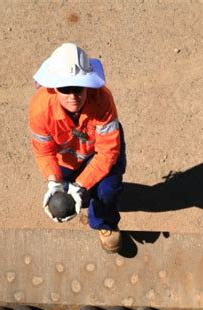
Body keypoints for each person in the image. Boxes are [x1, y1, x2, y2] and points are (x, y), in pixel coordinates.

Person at [29, 43, 126, 253]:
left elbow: (107, 152)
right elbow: (44, 152)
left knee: (107, 191)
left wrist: (80, 184)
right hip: (66, 159)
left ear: (87, 86)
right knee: (85, 194)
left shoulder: (103, 101)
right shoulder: (39, 110)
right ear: (54, 88)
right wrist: (54, 182)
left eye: (78, 88)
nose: (73, 95)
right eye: (65, 89)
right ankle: (85, 199)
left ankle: (104, 222)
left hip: (100, 153)